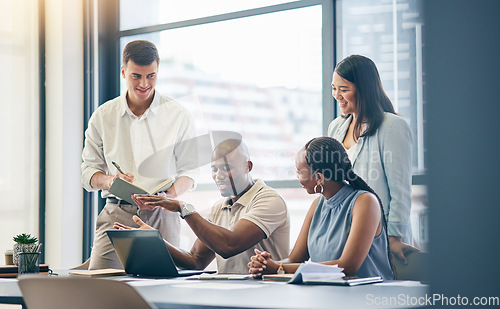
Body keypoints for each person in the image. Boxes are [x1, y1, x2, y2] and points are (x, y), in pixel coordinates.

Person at [81, 40, 198, 270]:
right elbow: (87, 173)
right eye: (136, 76)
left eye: (151, 76)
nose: (144, 83)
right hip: (116, 212)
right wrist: (110, 181)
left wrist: (169, 195)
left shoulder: (178, 114)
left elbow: (191, 172)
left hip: (162, 215)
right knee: (100, 287)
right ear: (124, 71)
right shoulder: (102, 116)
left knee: (160, 289)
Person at [114, 139, 290, 274]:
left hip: (264, 292)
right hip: (229, 294)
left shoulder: (269, 199)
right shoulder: (219, 207)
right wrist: (154, 239)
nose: (218, 176)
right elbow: (196, 261)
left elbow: (229, 245)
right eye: (214, 169)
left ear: (248, 167)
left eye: (226, 168)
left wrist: (184, 209)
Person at [248, 137, 394, 280]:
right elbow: (295, 259)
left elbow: (347, 267)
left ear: (319, 177)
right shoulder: (317, 205)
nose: (297, 178)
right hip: (329, 294)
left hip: (367, 296)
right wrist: (266, 265)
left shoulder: (365, 202)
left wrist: (279, 269)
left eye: (299, 172)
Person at [328, 55, 417, 263]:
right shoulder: (335, 127)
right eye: (334, 88)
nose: (337, 96)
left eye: (344, 89)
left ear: (364, 88)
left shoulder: (392, 126)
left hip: (382, 236)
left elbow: (400, 191)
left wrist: (394, 237)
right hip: (345, 233)